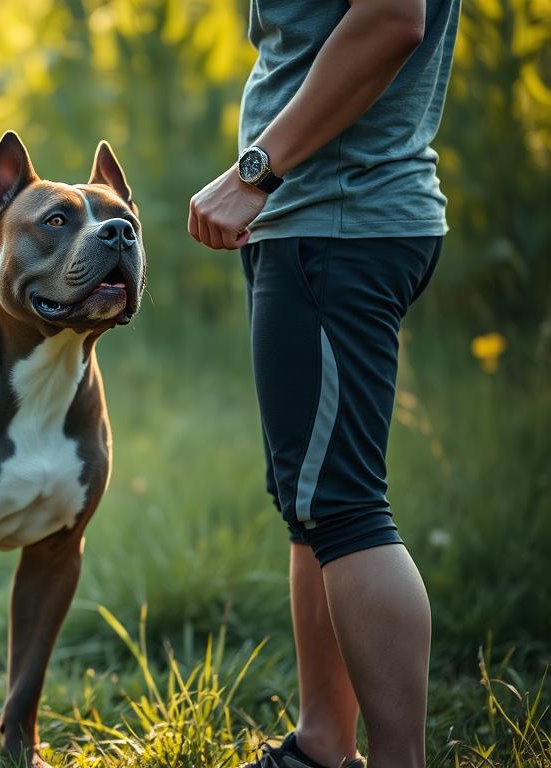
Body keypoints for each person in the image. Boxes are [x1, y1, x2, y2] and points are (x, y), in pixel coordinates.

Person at [187, 1, 460, 766]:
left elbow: (390, 18)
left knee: (342, 506)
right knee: (311, 503)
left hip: (336, 219)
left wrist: (257, 170)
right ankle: (320, 747)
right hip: (320, 219)